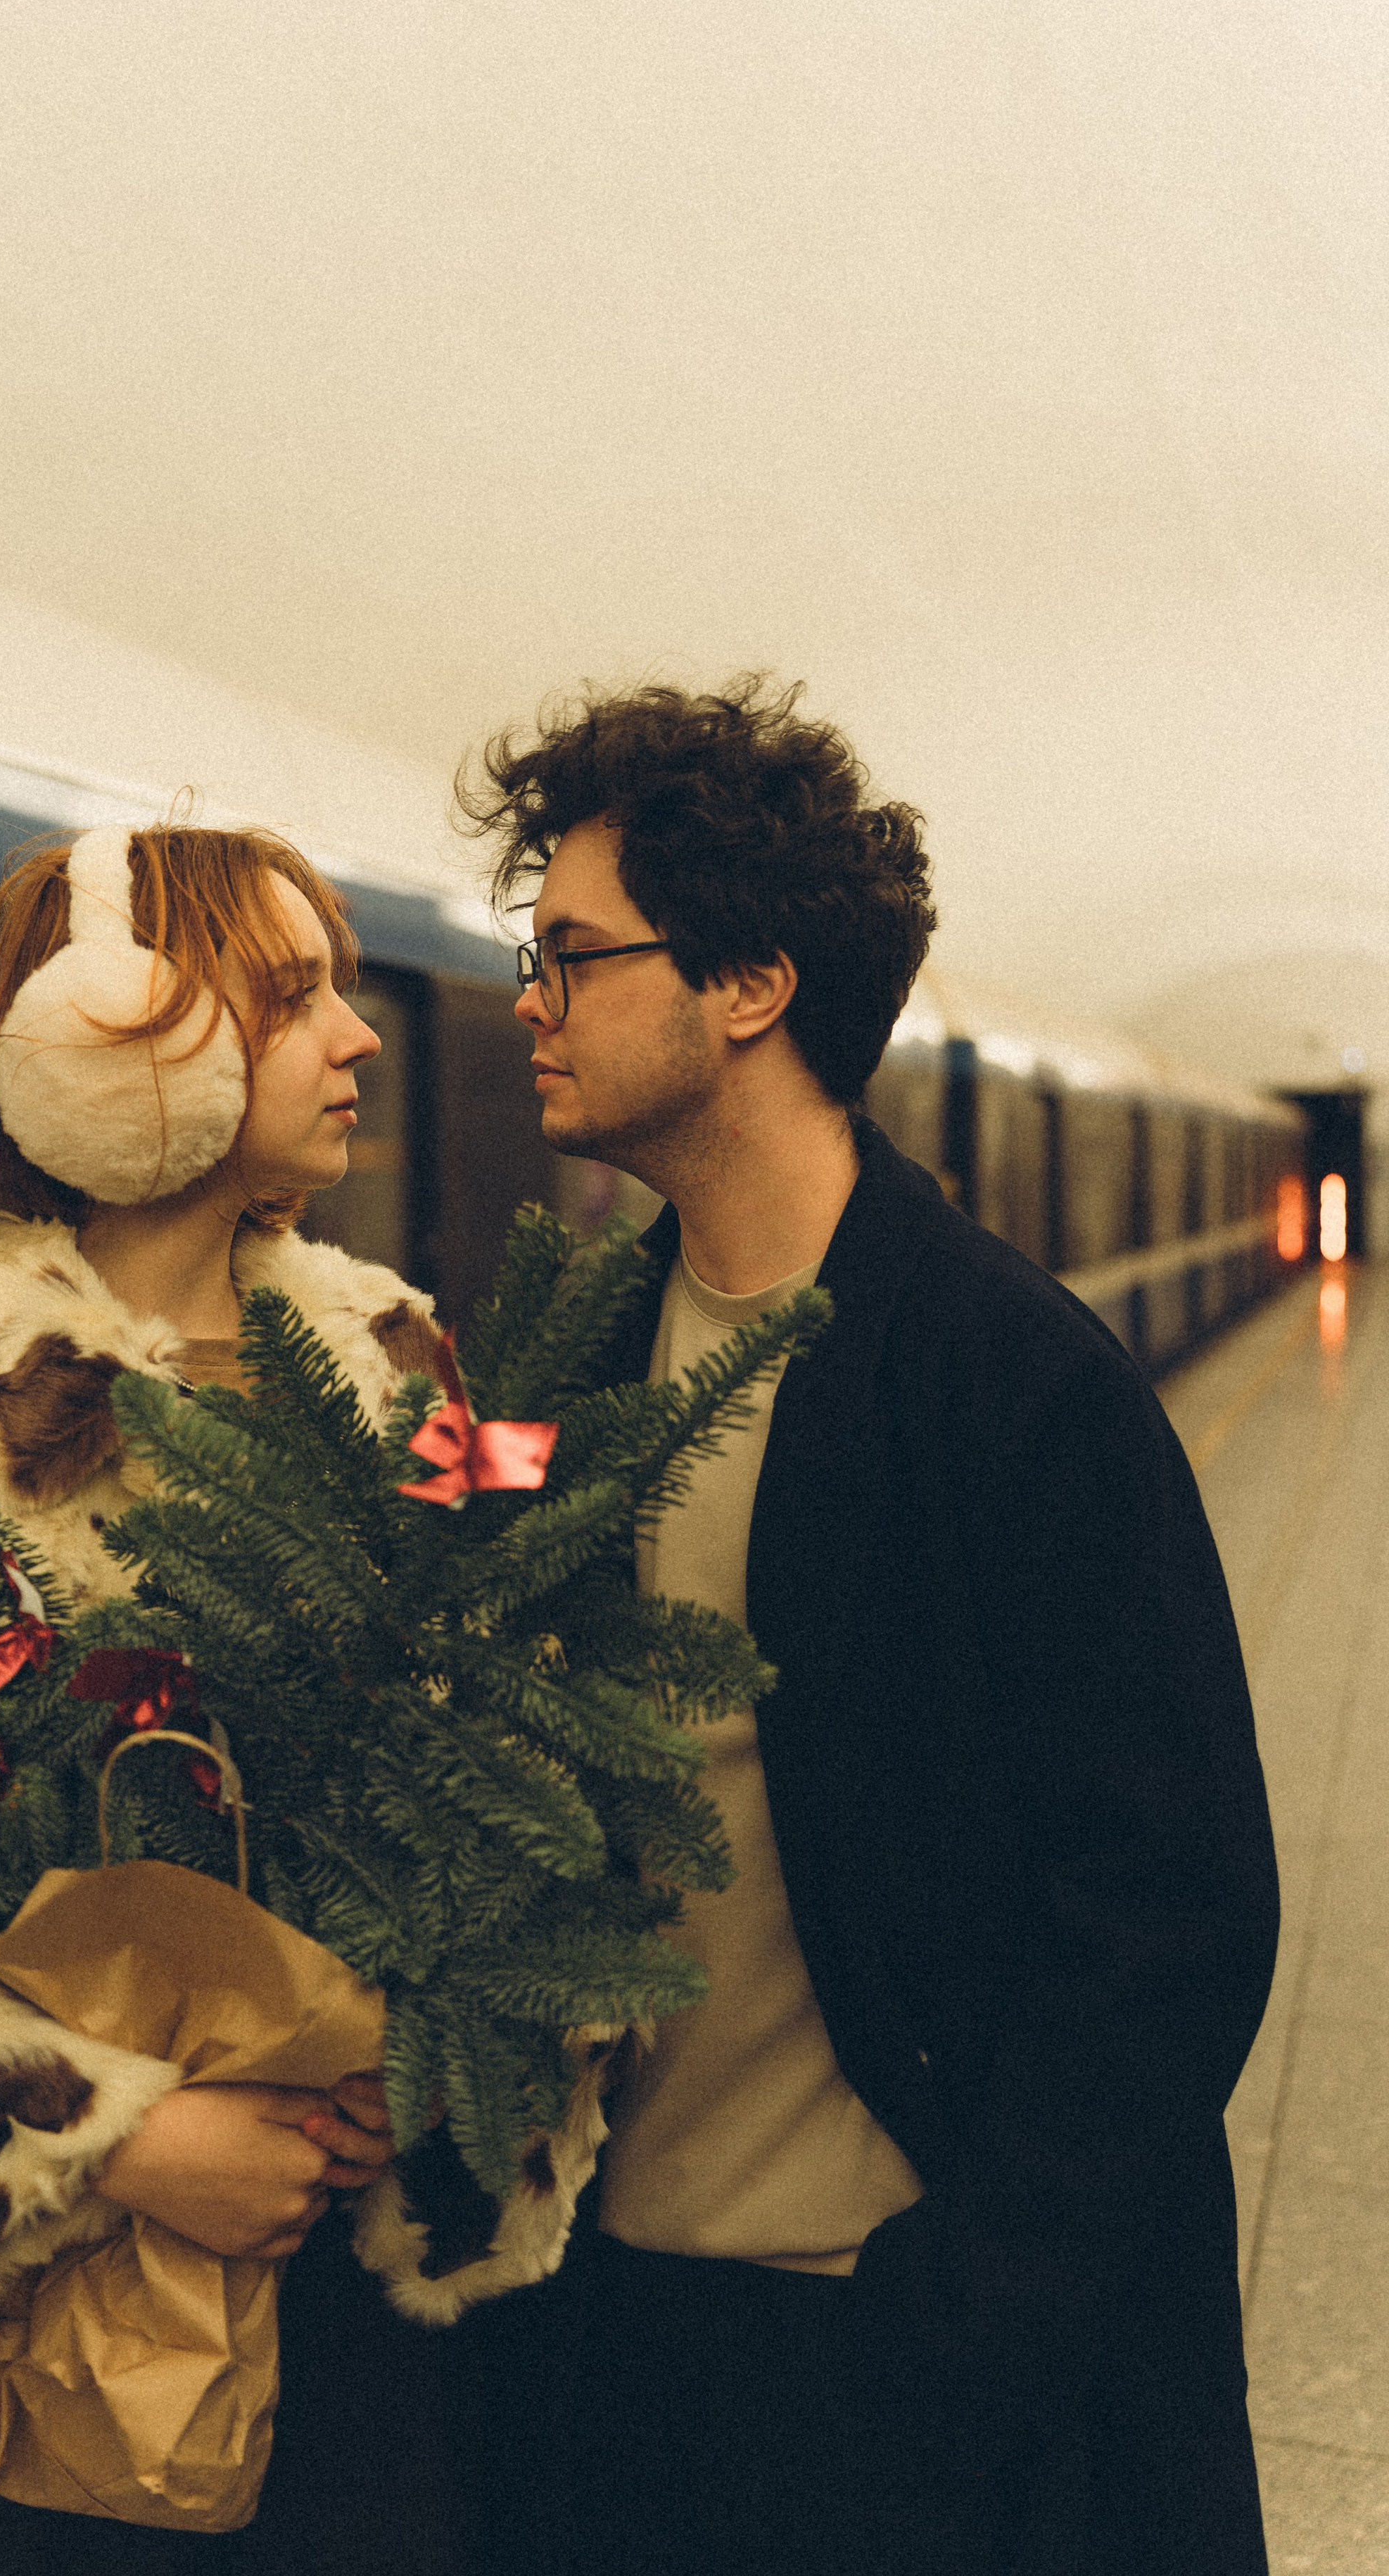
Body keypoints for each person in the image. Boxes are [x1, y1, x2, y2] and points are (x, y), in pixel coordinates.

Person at [0, 821, 587, 2576]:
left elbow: (546, 1736)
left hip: (366, 2284)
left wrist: (436, 2048)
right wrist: (127, 2139)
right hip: (24, 2318)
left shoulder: (404, 1365)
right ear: (116, 1046)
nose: (358, 1041)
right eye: (296, 998)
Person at [458, 679, 1279, 2576]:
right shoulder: (572, 1374)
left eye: (575, 955)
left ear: (747, 985)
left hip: (898, 2355)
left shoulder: (1011, 1384)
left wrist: (959, 2321)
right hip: (614, 2346)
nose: (534, 999)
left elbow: (1175, 1914)